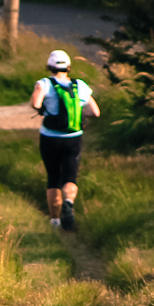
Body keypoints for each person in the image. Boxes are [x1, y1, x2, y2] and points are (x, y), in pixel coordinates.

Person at [28, 49, 99, 230]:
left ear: (49, 67)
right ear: (68, 68)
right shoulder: (80, 85)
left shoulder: (44, 83)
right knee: (70, 177)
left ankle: (55, 221)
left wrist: (43, 110)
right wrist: (79, 114)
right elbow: (95, 112)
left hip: (50, 137)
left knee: (53, 178)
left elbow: (35, 103)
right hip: (73, 138)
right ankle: (69, 201)